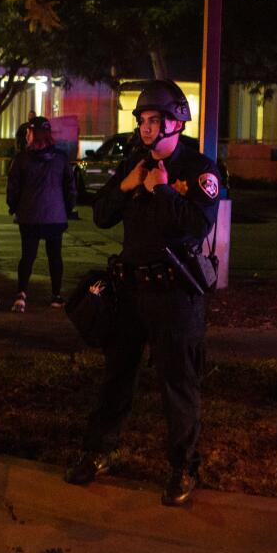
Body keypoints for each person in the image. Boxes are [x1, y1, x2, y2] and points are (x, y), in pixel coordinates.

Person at [66, 80, 221, 507]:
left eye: (155, 120)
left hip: (175, 296)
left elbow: (196, 225)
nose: (147, 128)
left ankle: (183, 466)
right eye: (143, 121)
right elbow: (100, 215)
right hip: (131, 290)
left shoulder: (199, 168)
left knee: (178, 384)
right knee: (117, 377)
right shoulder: (134, 162)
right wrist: (128, 185)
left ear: (176, 122)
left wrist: (163, 189)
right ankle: (100, 450)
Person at [6, 116, 76, 312]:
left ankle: (21, 294)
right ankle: (56, 295)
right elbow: (70, 187)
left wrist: (14, 207)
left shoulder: (21, 159)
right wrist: (68, 209)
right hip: (55, 216)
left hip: (29, 216)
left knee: (27, 256)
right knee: (55, 256)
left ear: (31, 134)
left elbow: (13, 188)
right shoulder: (61, 158)